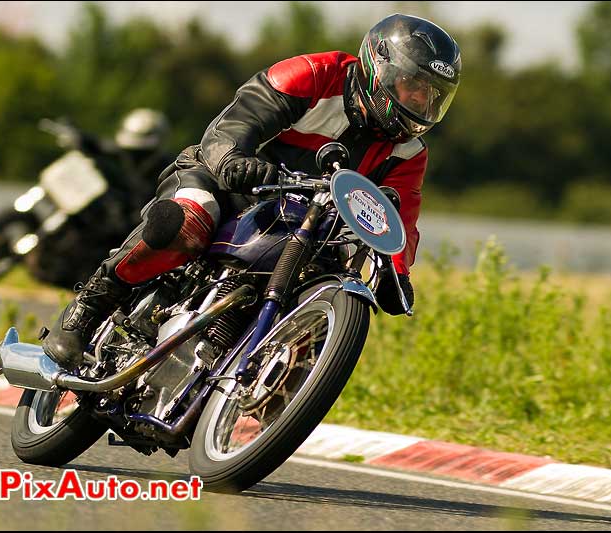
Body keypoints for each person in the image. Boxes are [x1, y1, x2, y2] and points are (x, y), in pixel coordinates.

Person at [42, 13, 462, 370]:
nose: (421, 103)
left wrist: (397, 273)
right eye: (415, 86)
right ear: (382, 68)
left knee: (325, 273)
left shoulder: (408, 150)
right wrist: (232, 160)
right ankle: (90, 306)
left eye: (432, 96)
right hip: (226, 181)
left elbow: (399, 217)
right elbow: (234, 124)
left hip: (304, 222)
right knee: (186, 221)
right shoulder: (314, 74)